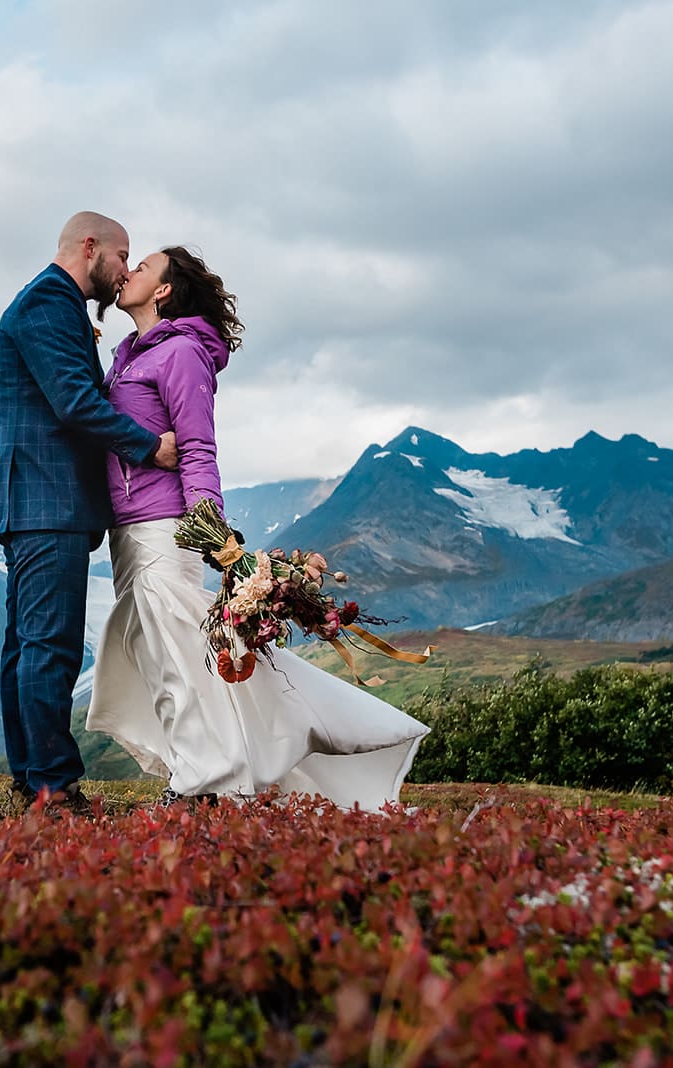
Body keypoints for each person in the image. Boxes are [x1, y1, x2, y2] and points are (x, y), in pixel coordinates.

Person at [86, 246, 430, 810]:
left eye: (142, 267)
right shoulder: (127, 354)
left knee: (176, 661)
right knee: (161, 655)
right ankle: (222, 768)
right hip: (128, 526)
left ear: (165, 290)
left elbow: (197, 447)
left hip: (163, 524)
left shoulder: (179, 355)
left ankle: (206, 784)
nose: (129, 274)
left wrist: (210, 531)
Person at [0, 212, 179, 814]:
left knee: (27, 644)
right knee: (51, 646)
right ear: (90, 248)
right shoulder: (47, 303)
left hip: (38, 499)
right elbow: (75, 401)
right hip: (46, 499)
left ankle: (33, 780)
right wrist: (152, 447)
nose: (124, 272)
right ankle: (53, 787)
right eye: (123, 257)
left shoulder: (52, 303)